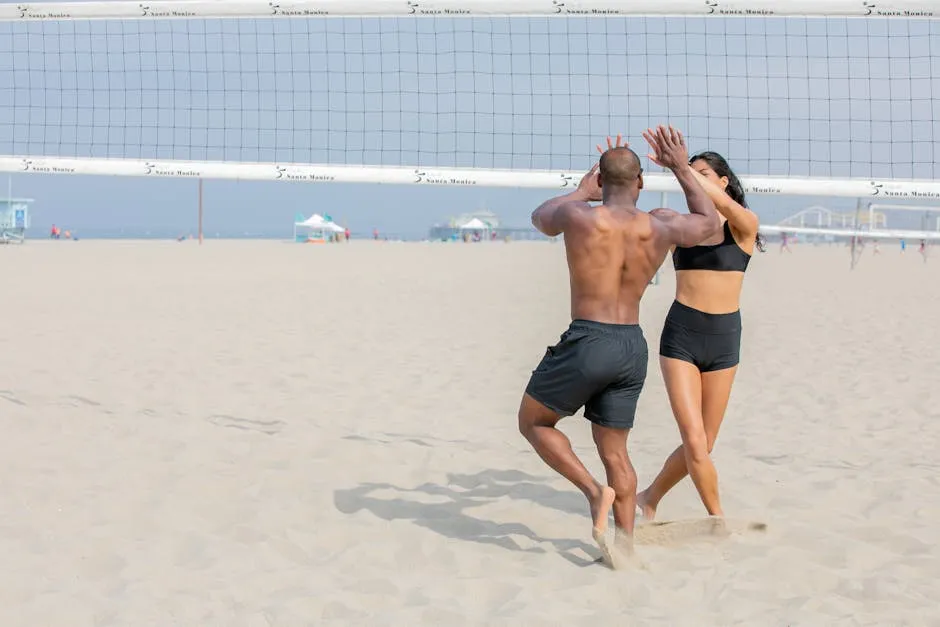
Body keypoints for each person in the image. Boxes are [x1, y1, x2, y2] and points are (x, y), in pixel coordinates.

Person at [518, 126, 720, 565]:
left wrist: (579, 191)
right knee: (616, 451)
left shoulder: (579, 216)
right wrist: (682, 168)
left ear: (601, 182)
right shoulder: (661, 225)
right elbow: (710, 225)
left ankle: (594, 493)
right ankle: (624, 548)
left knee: (533, 422)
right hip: (631, 345)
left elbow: (539, 216)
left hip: (589, 337)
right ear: (642, 182)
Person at [635, 146, 763, 521]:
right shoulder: (684, 227)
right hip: (682, 337)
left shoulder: (745, 227)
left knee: (704, 443)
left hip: (725, 339)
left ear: (723, 182)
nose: (693, 178)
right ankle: (717, 519)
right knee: (694, 440)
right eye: (690, 174)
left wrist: (681, 169)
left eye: (702, 173)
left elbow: (725, 206)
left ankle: (649, 497)